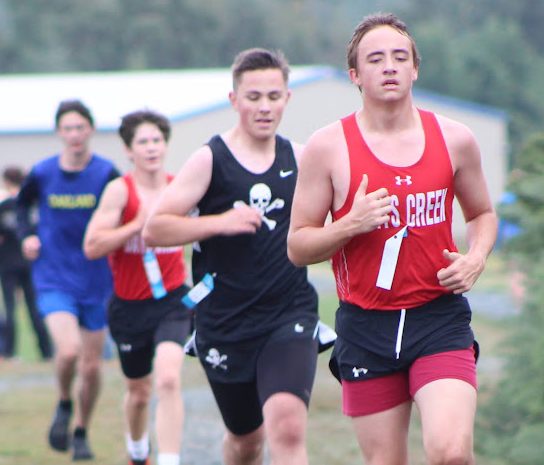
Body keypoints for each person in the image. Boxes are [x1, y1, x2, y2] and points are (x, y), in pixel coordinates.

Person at [287, 13, 497, 465]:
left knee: (451, 452)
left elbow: (481, 214)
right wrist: (349, 224)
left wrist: (476, 257)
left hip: (437, 317)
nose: (389, 67)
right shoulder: (328, 147)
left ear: (415, 68)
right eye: (376, 59)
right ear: (355, 75)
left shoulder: (455, 139)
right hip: (366, 325)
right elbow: (298, 246)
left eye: (400, 57)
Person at [143, 48, 322, 465]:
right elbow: (155, 228)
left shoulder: (300, 157)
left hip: (289, 312)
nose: (264, 107)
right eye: (254, 96)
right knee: (246, 442)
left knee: (288, 426)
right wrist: (218, 222)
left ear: (287, 99)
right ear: (234, 100)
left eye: (274, 97)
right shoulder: (210, 159)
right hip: (224, 321)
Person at [83, 110, 192, 465]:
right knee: (139, 391)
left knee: (168, 378)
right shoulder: (119, 191)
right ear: (129, 151)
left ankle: (170, 459)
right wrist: (137, 226)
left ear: (165, 145)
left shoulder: (181, 187)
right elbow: (92, 246)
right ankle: (137, 451)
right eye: (142, 142)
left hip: (174, 300)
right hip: (129, 307)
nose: (151, 148)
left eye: (156, 140)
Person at [16, 99, 119, 461]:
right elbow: (20, 207)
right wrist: (27, 235)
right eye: (68, 128)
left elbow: (125, 211)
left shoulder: (107, 173)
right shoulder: (43, 173)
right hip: (53, 275)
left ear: (90, 130)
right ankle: (63, 401)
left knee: (91, 367)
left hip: (96, 278)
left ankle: (80, 431)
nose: (75, 134)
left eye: (80, 127)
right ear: (59, 133)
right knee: (70, 350)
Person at [0, 166, 52, 360]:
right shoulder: (31, 206)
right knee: (35, 309)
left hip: (7, 265)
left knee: (10, 309)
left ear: (6, 181)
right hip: (30, 264)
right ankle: (46, 351)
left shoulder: (4, 206)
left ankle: (8, 352)